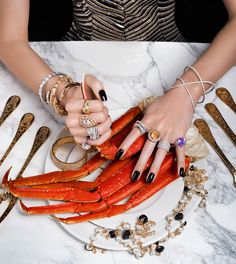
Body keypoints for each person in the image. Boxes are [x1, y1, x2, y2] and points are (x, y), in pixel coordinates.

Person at [0, 0, 235, 184]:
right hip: (69, 55)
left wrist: (187, 91)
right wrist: (62, 91)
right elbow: (8, 40)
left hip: (192, 62)